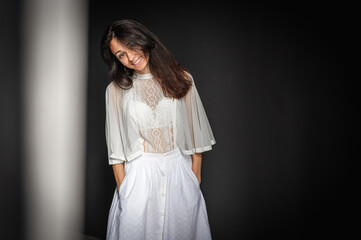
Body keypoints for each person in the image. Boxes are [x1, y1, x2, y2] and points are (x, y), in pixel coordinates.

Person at [100, 19, 216, 240]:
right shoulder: (115, 90)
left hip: (179, 173)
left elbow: (195, 134)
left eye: (130, 46)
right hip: (138, 177)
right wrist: (124, 190)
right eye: (121, 55)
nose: (130, 57)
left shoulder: (182, 78)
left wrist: (195, 178)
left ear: (142, 39)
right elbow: (115, 150)